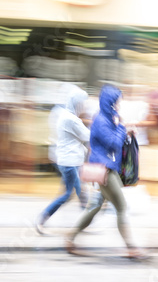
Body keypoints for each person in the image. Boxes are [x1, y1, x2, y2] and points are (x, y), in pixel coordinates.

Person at [65, 84, 147, 259]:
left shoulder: (110, 118)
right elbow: (113, 143)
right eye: (117, 102)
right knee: (122, 207)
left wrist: (125, 130)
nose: (119, 105)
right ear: (110, 102)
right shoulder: (102, 120)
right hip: (103, 170)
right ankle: (131, 248)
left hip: (106, 168)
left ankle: (70, 238)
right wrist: (122, 128)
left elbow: (115, 139)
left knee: (94, 207)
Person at [36, 86, 90, 235]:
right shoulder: (71, 119)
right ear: (76, 103)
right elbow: (88, 136)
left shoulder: (67, 116)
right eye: (82, 103)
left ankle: (84, 223)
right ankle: (42, 219)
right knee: (68, 194)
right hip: (69, 163)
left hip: (69, 161)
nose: (84, 106)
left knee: (80, 192)